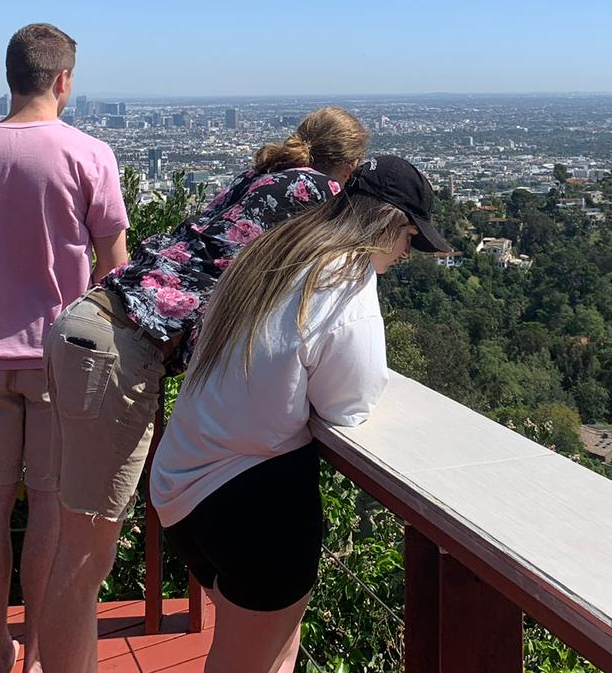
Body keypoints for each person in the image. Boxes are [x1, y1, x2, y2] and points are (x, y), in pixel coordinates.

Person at [38, 106, 369, 673]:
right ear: (347, 165)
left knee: (77, 544)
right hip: (121, 342)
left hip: (94, 324)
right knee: (85, 555)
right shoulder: (319, 195)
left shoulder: (263, 176)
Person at [150, 155, 447, 673]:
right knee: (246, 663)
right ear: (389, 224)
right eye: (408, 239)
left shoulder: (279, 249)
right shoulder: (346, 281)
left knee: (273, 648)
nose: (405, 254)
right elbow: (349, 404)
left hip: (182, 484)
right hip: (251, 504)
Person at [0, 23, 128, 673]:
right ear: (63, 79)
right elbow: (114, 270)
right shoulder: (88, 156)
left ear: (10, 77)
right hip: (58, 360)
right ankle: (38, 656)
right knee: (48, 508)